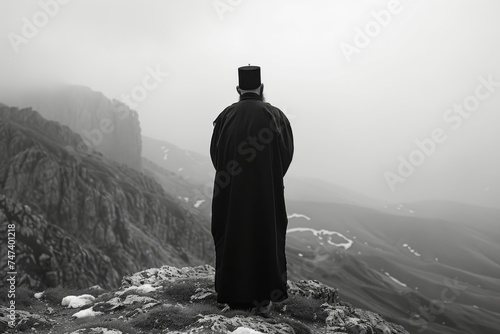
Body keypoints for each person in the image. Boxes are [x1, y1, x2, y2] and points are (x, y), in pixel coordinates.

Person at [210, 65, 294, 314]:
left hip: (230, 192)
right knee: (264, 237)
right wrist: (267, 177)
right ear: (262, 88)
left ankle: (232, 297)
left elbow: (216, 155)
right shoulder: (276, 115)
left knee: (233, 236)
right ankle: (264, 299)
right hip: (266, 193)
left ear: (238, 89)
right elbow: (286, 155)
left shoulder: (226, 116)